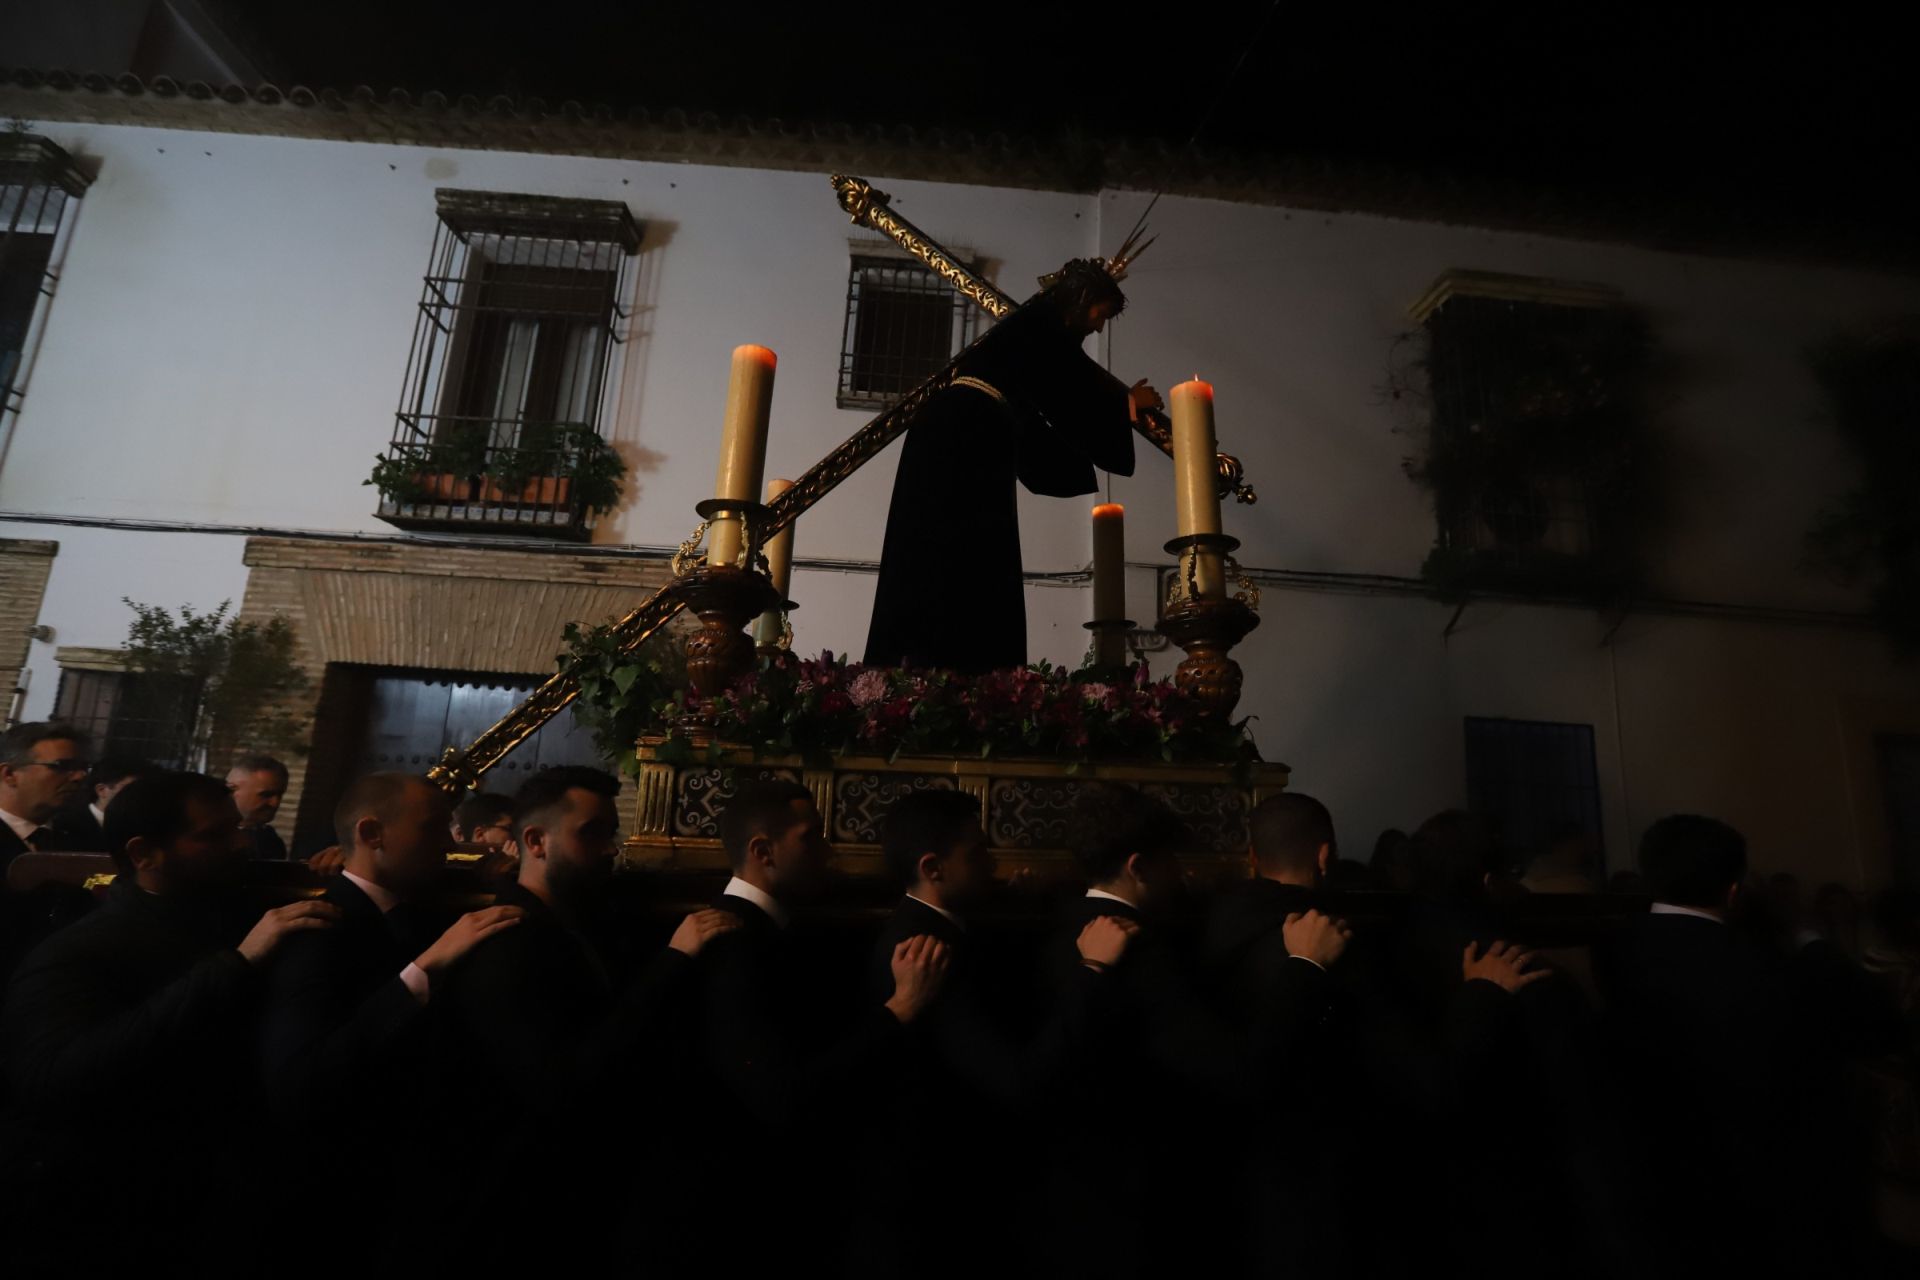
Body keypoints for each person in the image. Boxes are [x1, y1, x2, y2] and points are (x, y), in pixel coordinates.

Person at [1, 772, 340, 1272]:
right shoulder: (77, 953)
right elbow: (58, 1075)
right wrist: (237, 964)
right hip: (111, 1208)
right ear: (143, 853)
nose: (241, 844)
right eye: (214, 836)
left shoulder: (236, 909)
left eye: (236, 828)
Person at [439, 766, 738, 1269]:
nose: (610, 848)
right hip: (522, 1209)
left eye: (611, 833)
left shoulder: (582, 916)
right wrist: (675, 960)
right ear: (535, 840)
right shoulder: (506, 940)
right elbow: (564, 1080)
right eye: (592, 833)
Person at [855, 789, 1138, 1278]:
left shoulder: (943, 927)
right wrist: (1092, 969)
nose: (994, 862)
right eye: (979, 852)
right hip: (940, 1206)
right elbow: (1018, 1082)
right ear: (933, 867)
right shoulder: (925, 950)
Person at [670, 779, 949, 1272]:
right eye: (811, 837)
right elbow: (783, 1092)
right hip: (741, 1206)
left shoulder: (768, 929)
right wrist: (900, 1008)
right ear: (763, 851)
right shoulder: (735, 942)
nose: (828, 850)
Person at [257, 771, 523, 1267]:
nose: (449, 845)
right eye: (433, 829)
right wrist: (423, 970)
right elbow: (303, 1082)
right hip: (340, 1199)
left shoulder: (422, 909)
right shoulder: (318, 932)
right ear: (371, 834)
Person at [864, 256, 1156, 673]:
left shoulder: (1034, 329)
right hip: (968, 436)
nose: (1098, 327)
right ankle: (960, 664)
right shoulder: (1044, 328)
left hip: (957, 434)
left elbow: (1045, 409)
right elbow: (1068, 396)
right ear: (1084, 298)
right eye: (1101, 314)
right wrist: (1128, 406)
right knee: (966, 552)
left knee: (941, 552)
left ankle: (927, 658)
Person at [1595, 815, 1824, 1274]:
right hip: (1746, 1181)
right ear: (1734, 889)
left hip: (1638, 1169)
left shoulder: (1610, 947)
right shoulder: (1762, 964)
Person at [1042, 783, 1253, 1278]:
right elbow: (1222, 1068)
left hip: (1066, 1190)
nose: (1180, 872)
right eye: (1171, 860)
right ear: (1138, 867)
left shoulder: (1060, 923)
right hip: (1132, 1194)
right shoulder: (1143, 948)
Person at [0, 722, 90, 872]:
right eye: (62, 766)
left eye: (84, 768)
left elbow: (89, 882)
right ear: (9, 774)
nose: (80, 776)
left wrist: (123, 883)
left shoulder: (79, 836)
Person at [48, 754, 153, 851]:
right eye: (131, 789)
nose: (139, 796)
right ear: (102, 790)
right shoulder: (64, 825)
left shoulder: (140, 829)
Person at [226, 754, 290, 860]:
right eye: (266, 795)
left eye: (279, 795)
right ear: (232, 790)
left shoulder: (270, 841)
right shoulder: (209, 837)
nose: (275, 803)